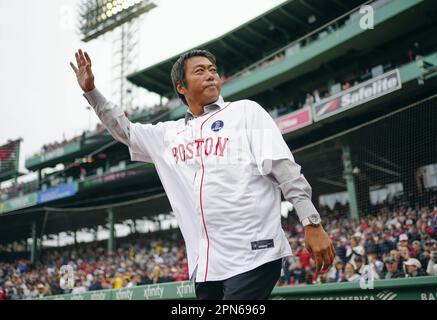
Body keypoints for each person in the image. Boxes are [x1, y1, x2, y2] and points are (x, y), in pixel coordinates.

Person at [70, 49, 335, 300]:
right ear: (181, 87)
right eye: (200, 70)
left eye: (213, 69)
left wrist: (312, 223)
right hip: (205, 264)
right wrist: (92, 92)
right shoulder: (167, 134)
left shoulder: (246, 111)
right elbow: (124, 131)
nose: (210, 74)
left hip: (255, 253)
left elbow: (285, 169)